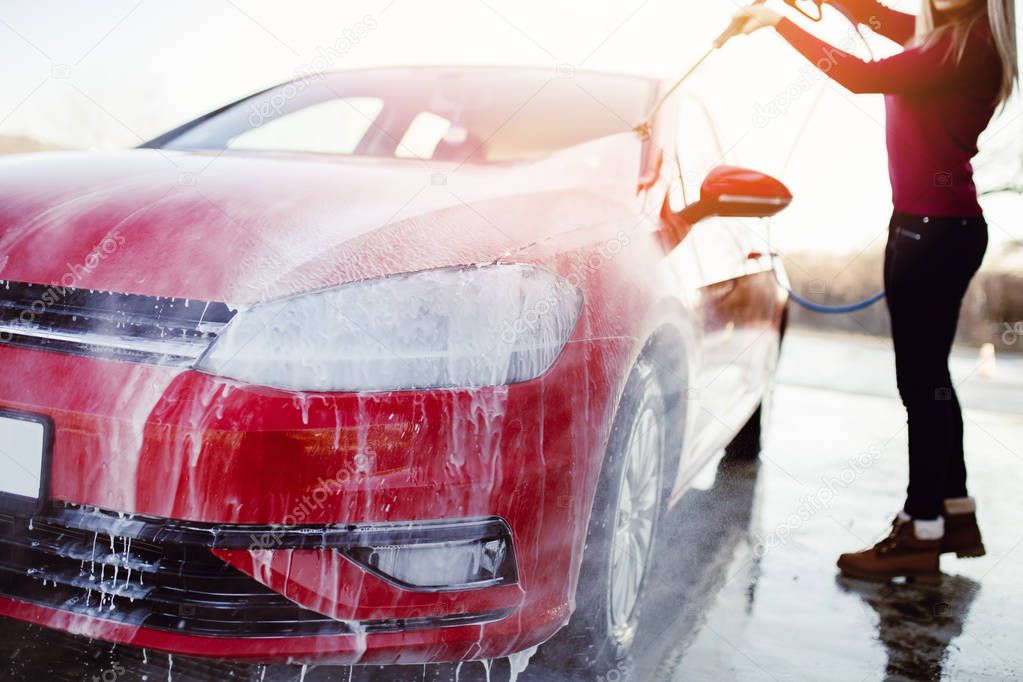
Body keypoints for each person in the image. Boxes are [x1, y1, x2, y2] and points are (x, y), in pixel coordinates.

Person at [729, 0, 1018, 582]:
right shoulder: (954, 38)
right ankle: (952, 515)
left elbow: (861, 76)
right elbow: (890, 22)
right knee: (931, 380)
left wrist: (778, 24)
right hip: (934, 228)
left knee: (922, 383)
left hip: (932, 235)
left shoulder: (962, 47)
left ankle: (920, 529)